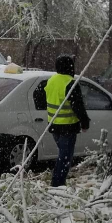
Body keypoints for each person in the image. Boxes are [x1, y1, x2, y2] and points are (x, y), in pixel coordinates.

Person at [44, 56, 89, 188]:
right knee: (65, 157)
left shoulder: (51, 81)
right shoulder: (70, 83)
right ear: (70, 67)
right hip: (67, 126)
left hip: (53, 125)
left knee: (62, 155)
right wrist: (85, 122)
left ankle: (58, 181)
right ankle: (57, 184)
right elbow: (78, 106)